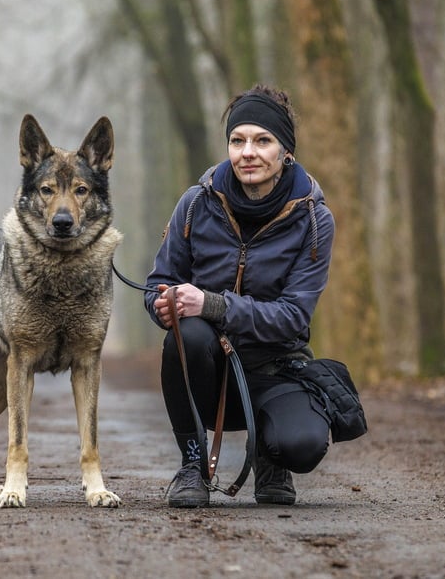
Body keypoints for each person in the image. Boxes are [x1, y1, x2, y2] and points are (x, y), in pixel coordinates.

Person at [144, 83, 335, 508]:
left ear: (286, 152)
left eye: (262, 140)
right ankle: (192, 466)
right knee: (187, 334)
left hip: (276, 368)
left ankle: (273, 457)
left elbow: (292, 317)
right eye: (238, 140)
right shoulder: (195, 205)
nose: (248, 152)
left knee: (302, 444)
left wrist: (211, 303)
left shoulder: (315, 220)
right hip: (209, 372)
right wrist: (162, 305)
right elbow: (160, 279)